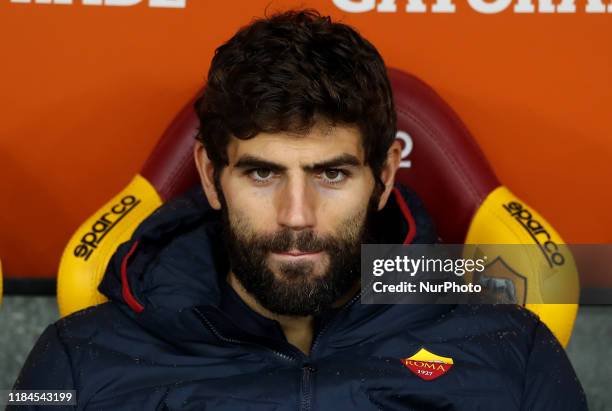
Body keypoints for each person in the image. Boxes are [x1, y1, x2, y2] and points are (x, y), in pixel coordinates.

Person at [10, 9, 586, 411]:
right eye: (262, 173)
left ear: (383, 178)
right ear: (212, 177)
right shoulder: (76, 362)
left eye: (331, 173)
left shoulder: (513, 351)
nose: (296, 216)